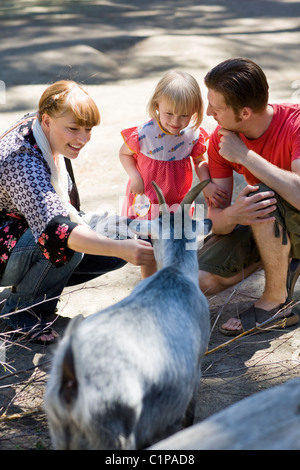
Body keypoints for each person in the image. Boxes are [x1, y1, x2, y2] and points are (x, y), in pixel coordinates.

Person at [0, 80, 154, 344]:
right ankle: (21, 312)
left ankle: (40, 286)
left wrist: (118, 243)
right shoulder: (22, 158)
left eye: (88, 129)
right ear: (46, 120)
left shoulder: (46, 132)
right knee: (71, 244)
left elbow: (65, 208)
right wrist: (117, 247)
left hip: (24, 229)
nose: (82, 139)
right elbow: (56, 229)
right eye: (73, 129)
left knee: (125, 233)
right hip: (6, 239)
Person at [197, 57, 300, 336]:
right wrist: (233, 214)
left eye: (216, 108)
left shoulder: (296, 123)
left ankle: (276, 302)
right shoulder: (222, 141)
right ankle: (283, 260)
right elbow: (216, 222)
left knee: (262, 195)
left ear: (243, 113)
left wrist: (245, 156)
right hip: (270, 223)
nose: (208, 113)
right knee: (198, 281)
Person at [119, 70, 227, 278]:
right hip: (148, 198)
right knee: (149, 243)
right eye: (169, 113)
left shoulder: (192, 135)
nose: (176, 121)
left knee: (176, 240)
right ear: (157, 104)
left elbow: (199, 160)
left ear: (194, 111)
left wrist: (207, 183)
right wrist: (135, 177)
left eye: (184, 115)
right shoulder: (144, 134)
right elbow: (124, 154)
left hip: (178, 199)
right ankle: (149, 282)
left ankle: (171, 277)